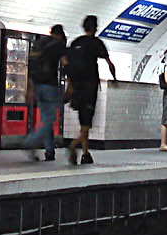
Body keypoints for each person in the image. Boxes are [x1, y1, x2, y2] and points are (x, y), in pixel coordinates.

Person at [67, 14, 117, 165]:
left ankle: (85, 153)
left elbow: (67, 65)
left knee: (83, 121)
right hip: (89, 87)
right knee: (87, 122)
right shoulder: (96, 43)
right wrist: (114, 78)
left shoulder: (76, 42)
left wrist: (69, 86)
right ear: (95, 28)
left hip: (76, 87)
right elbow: (109, 63)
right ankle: (74, 145)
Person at [22, 24, 67, 161]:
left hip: (37, 85)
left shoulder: (38, 44)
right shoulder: (58, 44)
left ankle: (49, 150)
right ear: (59, 34)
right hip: (50, 86)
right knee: (49, 120)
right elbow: (65, 63)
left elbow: (30, 65)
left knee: (46, 118)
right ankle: (30, 142)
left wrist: (29, 88)